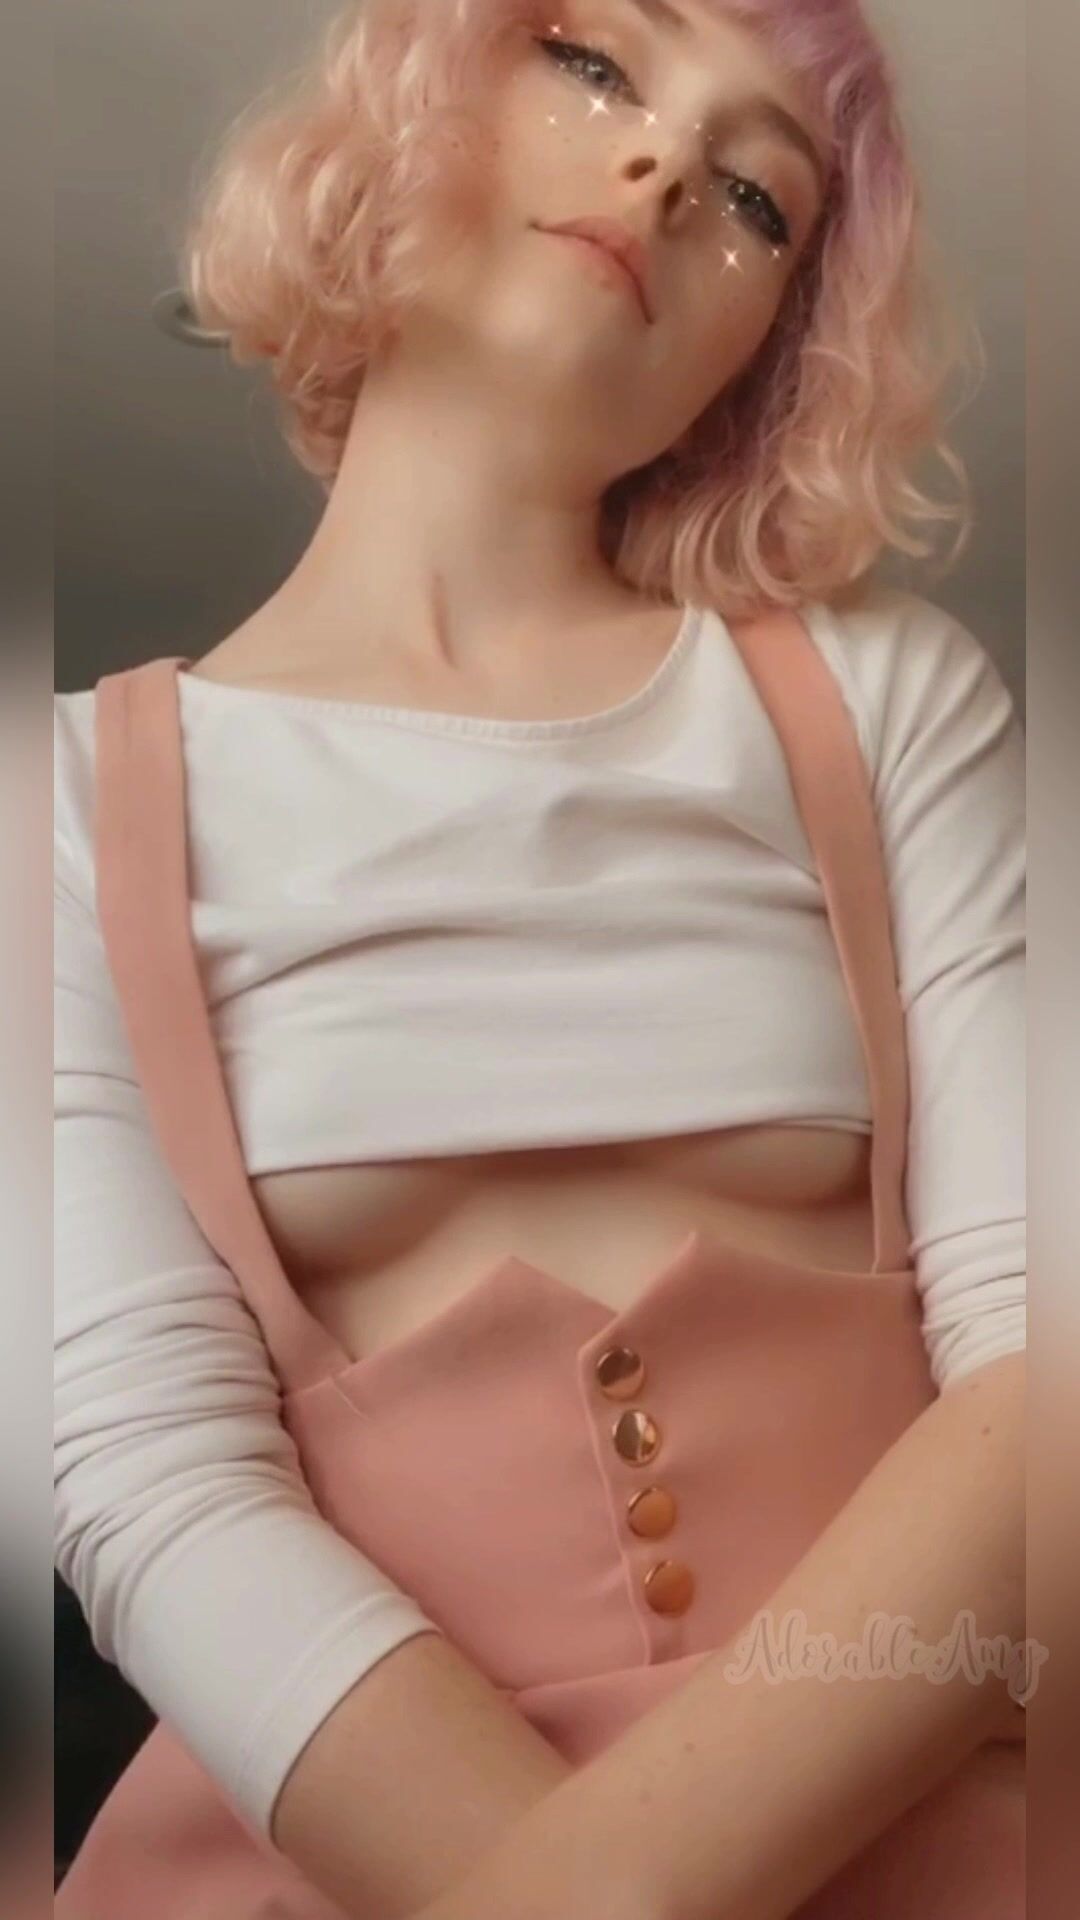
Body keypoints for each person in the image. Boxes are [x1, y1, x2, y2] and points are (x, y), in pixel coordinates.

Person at [54, 2, 1027, 1916]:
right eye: (595, 61)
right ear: (408, 96)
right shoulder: (62, 802)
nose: (664, 167)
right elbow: (151, 1488)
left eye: (758, 194)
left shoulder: (888, 700)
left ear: (769, 353)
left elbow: (1046, 1384)